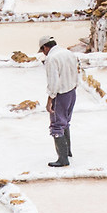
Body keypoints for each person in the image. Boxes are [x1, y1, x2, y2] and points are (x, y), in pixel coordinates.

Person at [41, 36, 80, 166]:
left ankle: (62, 159)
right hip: (71, 92)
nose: (43, 53)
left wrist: (49, 100)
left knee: (57, 125)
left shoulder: (51, 59)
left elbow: (53, 83)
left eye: (42, 50)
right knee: (65, 122)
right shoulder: (69, 53)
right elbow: (76, 72)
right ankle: (68, 152)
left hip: (61, 94)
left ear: (45, 47)